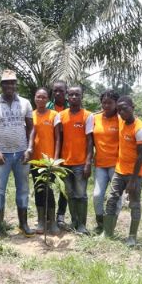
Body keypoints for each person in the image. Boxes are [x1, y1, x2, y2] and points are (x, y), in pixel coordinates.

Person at [0, 70, 34, 237]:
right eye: (6, 82)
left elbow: (31, 128)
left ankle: (23, 224)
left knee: (23, 190)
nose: (10, 85)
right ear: (2, 85)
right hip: (1, 155)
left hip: (21, 153)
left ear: (15, 84)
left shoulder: (26, 103)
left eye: (12, 82)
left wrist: (29, 148)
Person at [103, 96, 142, 247]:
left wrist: (133, 180)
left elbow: (141, 155)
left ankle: (132, 237)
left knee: (134, 204)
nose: (122, 112)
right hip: (119, 170)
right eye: (119, 109)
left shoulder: (140, 129)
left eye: (125, 109)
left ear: (133, 107)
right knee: (111, 199)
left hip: (135, 174)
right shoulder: (121, 121)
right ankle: (107, 233)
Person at [53, 85, 93, 235]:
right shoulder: (60, 116)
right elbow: (58, 139)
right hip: (65, 163)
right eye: (71, 95)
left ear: (81, 96)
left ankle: (82, 225)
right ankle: (74, 221)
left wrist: (88, 162)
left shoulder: (87, 116)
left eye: (77, 95)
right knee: (70, 194)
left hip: (81, 163)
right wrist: (57, 161)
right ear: (67, 97)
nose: (74, 97)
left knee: (81, 194)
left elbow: (90, 141)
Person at [25, 88, 59, 234]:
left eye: (44, 97)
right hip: (35, 161)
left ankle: (52, 222)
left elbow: (58, 138)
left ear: (48, 99)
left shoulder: (54, 115)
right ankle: (40, 221)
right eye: (38, 97)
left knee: (49, 190)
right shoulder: (30, 115)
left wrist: (56, 159)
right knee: (39, 190)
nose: (41, 99)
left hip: (49, 160)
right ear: (34, 98)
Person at [89, 90, 120, 234]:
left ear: (116, 104)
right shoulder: (95, 118)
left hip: (117, 165)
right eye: (104, 102)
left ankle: (110, 225)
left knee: (116, 197)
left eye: (110, 103)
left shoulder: (121, 119)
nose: (106, 105)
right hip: (100, 164)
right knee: (97, 195)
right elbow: (90, 142)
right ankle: (100, 223)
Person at [48, 81, 70, 229]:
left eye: (61, 91)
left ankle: (61, 215)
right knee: (48, 184)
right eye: (55, 91)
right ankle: (48, 216)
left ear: (66, 92)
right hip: (50, 153)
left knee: (64, 187)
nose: (58, 94)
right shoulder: (48, 106)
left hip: (68, 153)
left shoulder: (72, 106)